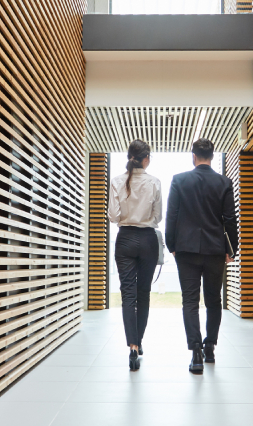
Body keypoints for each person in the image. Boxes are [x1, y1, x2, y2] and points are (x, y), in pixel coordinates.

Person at [165, 138, 238, 374]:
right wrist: (231, 249)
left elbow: (172, 215)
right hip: (215, 249)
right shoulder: (224, 182)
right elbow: (230, 220)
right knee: (214, 300)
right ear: (212, 156)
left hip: (186, 250)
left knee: (190, 301)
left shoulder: (179, 180)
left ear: (193, 156)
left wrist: (171, 244)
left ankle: (195, 351)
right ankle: (209, 347)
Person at [108, 140, 162, 371]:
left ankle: (132, 346)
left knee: (128, 294)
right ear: (146, 158)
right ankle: (139, 342)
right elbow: (158, 217)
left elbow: (112, 215)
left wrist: (126, 219)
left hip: (125, 240)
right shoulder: (154, 182)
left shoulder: (117, 181)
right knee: (144, 294)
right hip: (148, 240)